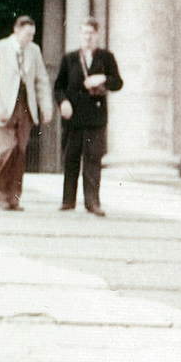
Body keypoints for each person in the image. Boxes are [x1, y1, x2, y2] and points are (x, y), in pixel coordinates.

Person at [0, 15, 54, 211]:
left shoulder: (34, 51)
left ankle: (14, 197)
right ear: (16, 30)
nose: (30, 38)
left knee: (20, 153)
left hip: (25, 108)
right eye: (28, 34)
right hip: (4, 109)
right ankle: (1, 194)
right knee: (6, 150)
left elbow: (41, 81)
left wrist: (45, 106)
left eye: (33, 35)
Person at [53, 17, 123, 217]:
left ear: (97, 34)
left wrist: (103, 79)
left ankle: (92, 202)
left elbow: (118, 82)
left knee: (93, 159)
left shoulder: (106, 57)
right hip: (73, 117)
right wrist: (63, 102)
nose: (87, 37)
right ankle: (68, 201)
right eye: (84, 33)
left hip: (95, 118)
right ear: (79, 34)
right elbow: (58, 86)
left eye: (91, 33)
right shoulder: (69, 58)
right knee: (71, 158)